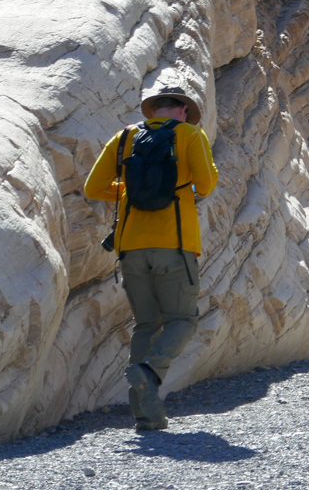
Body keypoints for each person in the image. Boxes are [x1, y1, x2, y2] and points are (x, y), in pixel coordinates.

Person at [84, 84, 218, 432]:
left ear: (154, 110)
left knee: (147, 325)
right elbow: (205, 185)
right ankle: (149, 371)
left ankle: (146, 414)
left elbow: (93, 188)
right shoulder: (190, 134)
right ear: (183, 110)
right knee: (183, 320)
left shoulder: (126, 137)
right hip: (175, 244)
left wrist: (129, 191)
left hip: (130, 247)